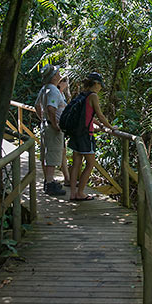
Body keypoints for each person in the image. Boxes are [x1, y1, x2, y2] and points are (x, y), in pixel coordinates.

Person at [68, 72, 117, 201]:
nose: (101, 88)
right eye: (100, 84)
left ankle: (73, 193)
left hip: (76, 133)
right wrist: (111, 127)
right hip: (85, 134)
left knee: (76, 164)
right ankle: (80, 193)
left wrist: (99, 124)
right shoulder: (93, 96)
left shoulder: (82, 94)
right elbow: (100, 115)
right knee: (90, 164)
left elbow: (87, 115)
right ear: (95, 83)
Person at [34, 64, 66, 196]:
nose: (59, 75)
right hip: (52, 128)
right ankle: (50, 184)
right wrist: (55, 124)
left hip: (45, 125)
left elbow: (37, 106)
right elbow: (51, 108)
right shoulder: (52, 89)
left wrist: (43, 119)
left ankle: (49, 181)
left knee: (47, 154)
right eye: (57, 73)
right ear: (53, 77)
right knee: (52, 154)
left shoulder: (44, 89)